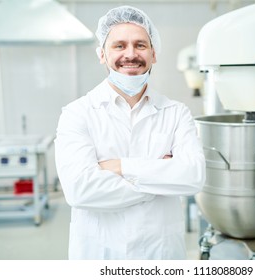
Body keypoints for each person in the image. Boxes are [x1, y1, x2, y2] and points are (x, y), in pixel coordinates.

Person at [54, 5, 206, 260]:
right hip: (101, 256)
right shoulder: (77, 113)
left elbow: (193, 176)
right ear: (102, 54)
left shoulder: (176, 113)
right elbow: (79, 189)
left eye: (140, 45)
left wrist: (120, 166)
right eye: (119, 45)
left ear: (154, 54)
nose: (130, 54)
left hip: (161, 256)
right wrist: (161, 178)